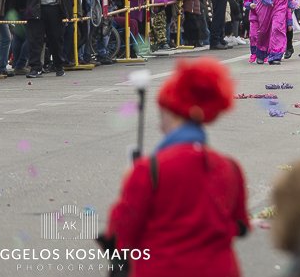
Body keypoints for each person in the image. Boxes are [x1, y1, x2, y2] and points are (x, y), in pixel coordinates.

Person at [104, 57, 249, 276]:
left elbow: (122, 234)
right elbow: (240, 226)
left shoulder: (150, 169)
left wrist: (129, 182)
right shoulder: (230, 167)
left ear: (170, 111)